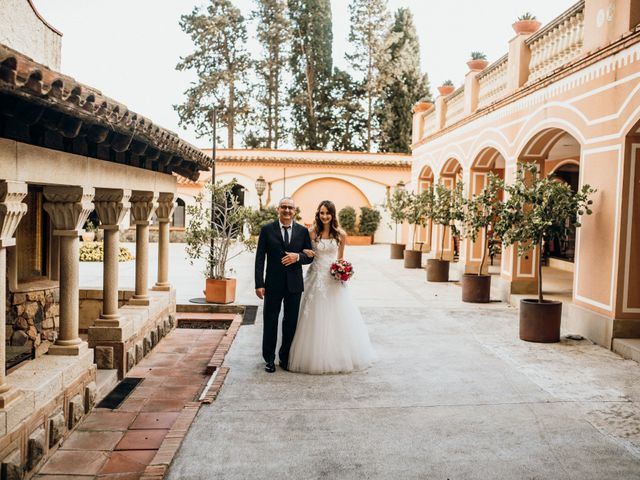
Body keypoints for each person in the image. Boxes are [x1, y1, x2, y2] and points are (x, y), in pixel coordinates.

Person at [288, 200, 374, 374]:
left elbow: (340, 259)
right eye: (321, 213)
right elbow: (304, 251)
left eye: (328, 213)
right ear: (318, 214)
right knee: (312, 316)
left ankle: (337, 355)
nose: (325, 216)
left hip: (333, 279)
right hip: (315, 277)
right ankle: (312, 356)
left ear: (333, 215)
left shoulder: (340, 235)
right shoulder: (311, 233)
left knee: (337, 317)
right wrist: (305, 252)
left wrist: (343, 271)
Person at [254, 197, 314, 373]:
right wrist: (259, 283)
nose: (287, 210)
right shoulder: (267, 230)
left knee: (290, 323)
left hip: (294, 284)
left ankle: (285, 358)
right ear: (278, 210)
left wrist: (297, 257)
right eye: (284, 207)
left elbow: (310, 256)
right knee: (270, 321)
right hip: (272, 284)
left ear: (295, 211)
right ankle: (269, 359)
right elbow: (259, 258)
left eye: (290, 208)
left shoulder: (303, 231)